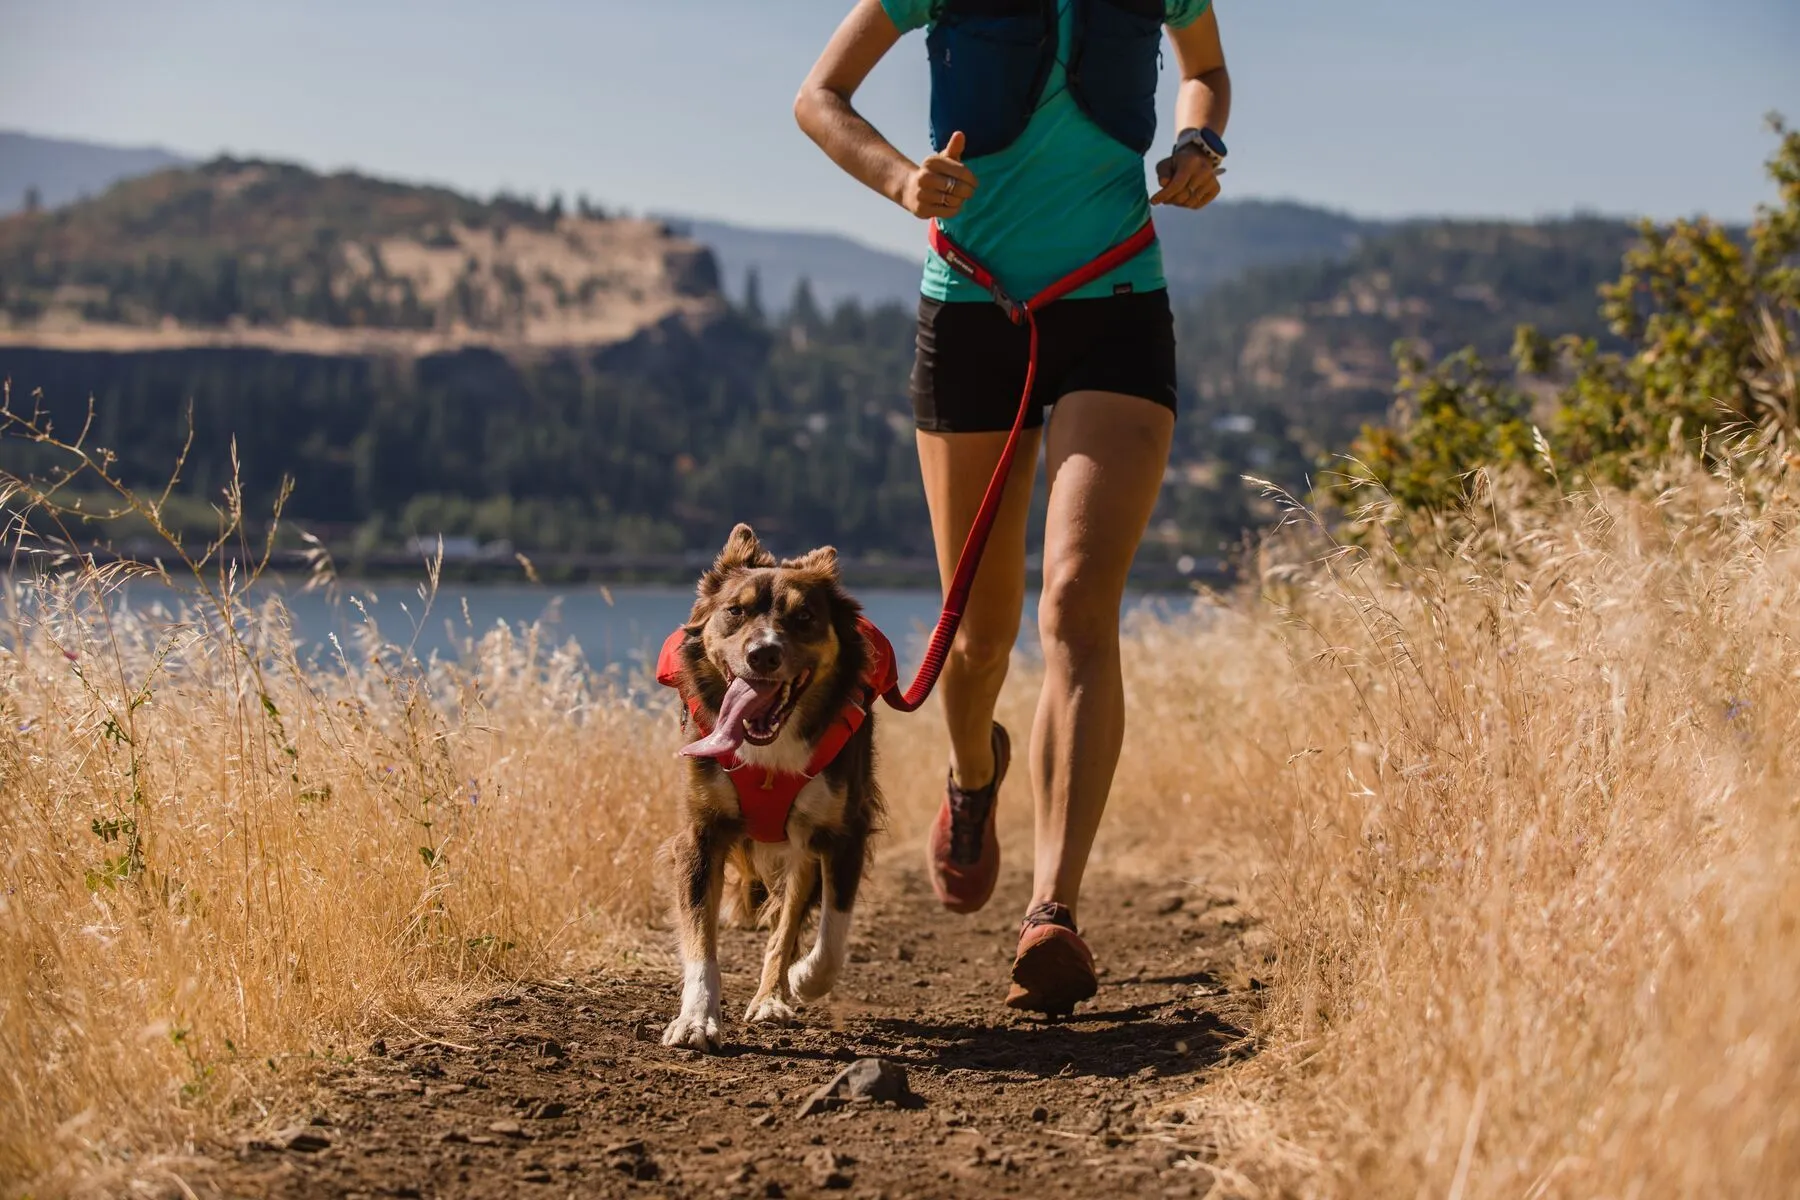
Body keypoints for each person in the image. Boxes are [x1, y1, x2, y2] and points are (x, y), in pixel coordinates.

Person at [795, 0, 1230, 1014]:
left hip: (1116, 303)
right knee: (979, 638)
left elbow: (1204, 68)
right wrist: (902, 177)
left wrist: (1200, 139)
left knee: (1076, 605)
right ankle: (970, 772)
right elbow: (819, 100)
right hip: (971, 309)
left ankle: (1053, 912)